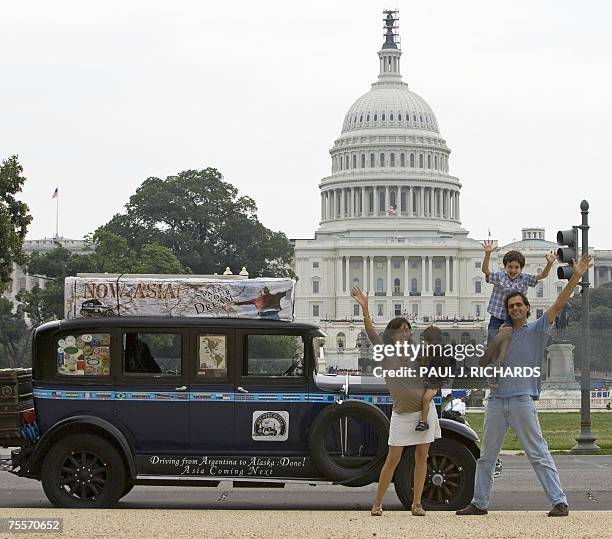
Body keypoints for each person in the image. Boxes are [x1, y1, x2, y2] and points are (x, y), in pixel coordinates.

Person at [457, 254, 592, 518]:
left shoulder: (537, 330)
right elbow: (484, 365)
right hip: (496, 400)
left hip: (521, 398)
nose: (516, 309)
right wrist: (498, 340)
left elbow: (560, 301)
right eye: (511, 306)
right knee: (486, 456)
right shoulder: (500, 334)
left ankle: (559, 501)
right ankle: (479, 503)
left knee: (538, 452)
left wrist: (576, 276)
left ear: (527, 309)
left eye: (519, 305)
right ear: (507, 311)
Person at [351, 286, 441, 517]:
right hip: (402, 414)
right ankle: (378, 502)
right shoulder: (384, 352)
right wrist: (365, 306)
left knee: (422, 458)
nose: (404, 334)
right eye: (400, 330)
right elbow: (371, 333)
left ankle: (417, 503)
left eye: (407, 330)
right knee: (393, 459)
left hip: (423, 414)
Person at [481, 241, 556, 386]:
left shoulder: (525, 278)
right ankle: (492, 372)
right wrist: (488, 253)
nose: (513, 270)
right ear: (505, 267)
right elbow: (485, 271)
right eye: (510, 267)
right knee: (492, 343)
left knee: (508, 347)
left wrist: (549, 263)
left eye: (516, 267)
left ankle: (505, 371)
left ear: (521, 268)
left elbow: (543, 276)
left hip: (512, 318)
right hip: (496, 317)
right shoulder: (500, 276)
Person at [415, 325, 448, 431]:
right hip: (427, 380)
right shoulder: (426, 350)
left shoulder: (440, 350)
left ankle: (423, 422)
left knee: (426, 398)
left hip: (435, 382)